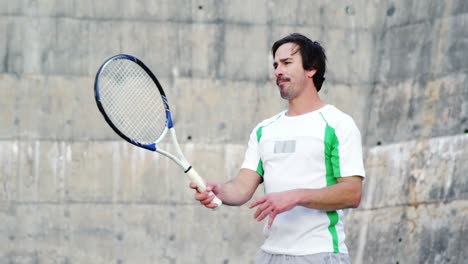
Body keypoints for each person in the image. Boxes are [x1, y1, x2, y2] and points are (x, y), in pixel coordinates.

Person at [190, 33, 365, 264]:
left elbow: (352, 193)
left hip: (320, 255)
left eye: (286, 63)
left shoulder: (338, 124)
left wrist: (295, 196)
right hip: (270, 255)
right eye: (275, 65)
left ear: (311, 68)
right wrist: (218, 190)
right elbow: (242, 187)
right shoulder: (265, 130)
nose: (278, 71)